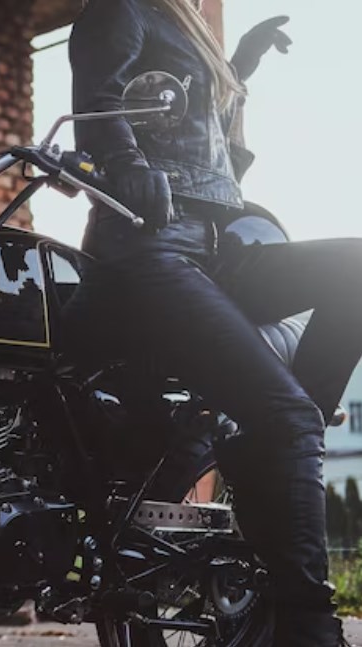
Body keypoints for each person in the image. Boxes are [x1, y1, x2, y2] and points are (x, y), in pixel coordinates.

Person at [63, 1, 362, 645]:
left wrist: (238, 69)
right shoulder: (123, 9)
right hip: (151, 246)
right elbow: (99, 101)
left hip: (222, 245)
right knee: (289, 416)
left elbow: (204, 136)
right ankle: (309, 627)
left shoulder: (185, 27)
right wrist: (127, 164)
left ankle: (266, 443)